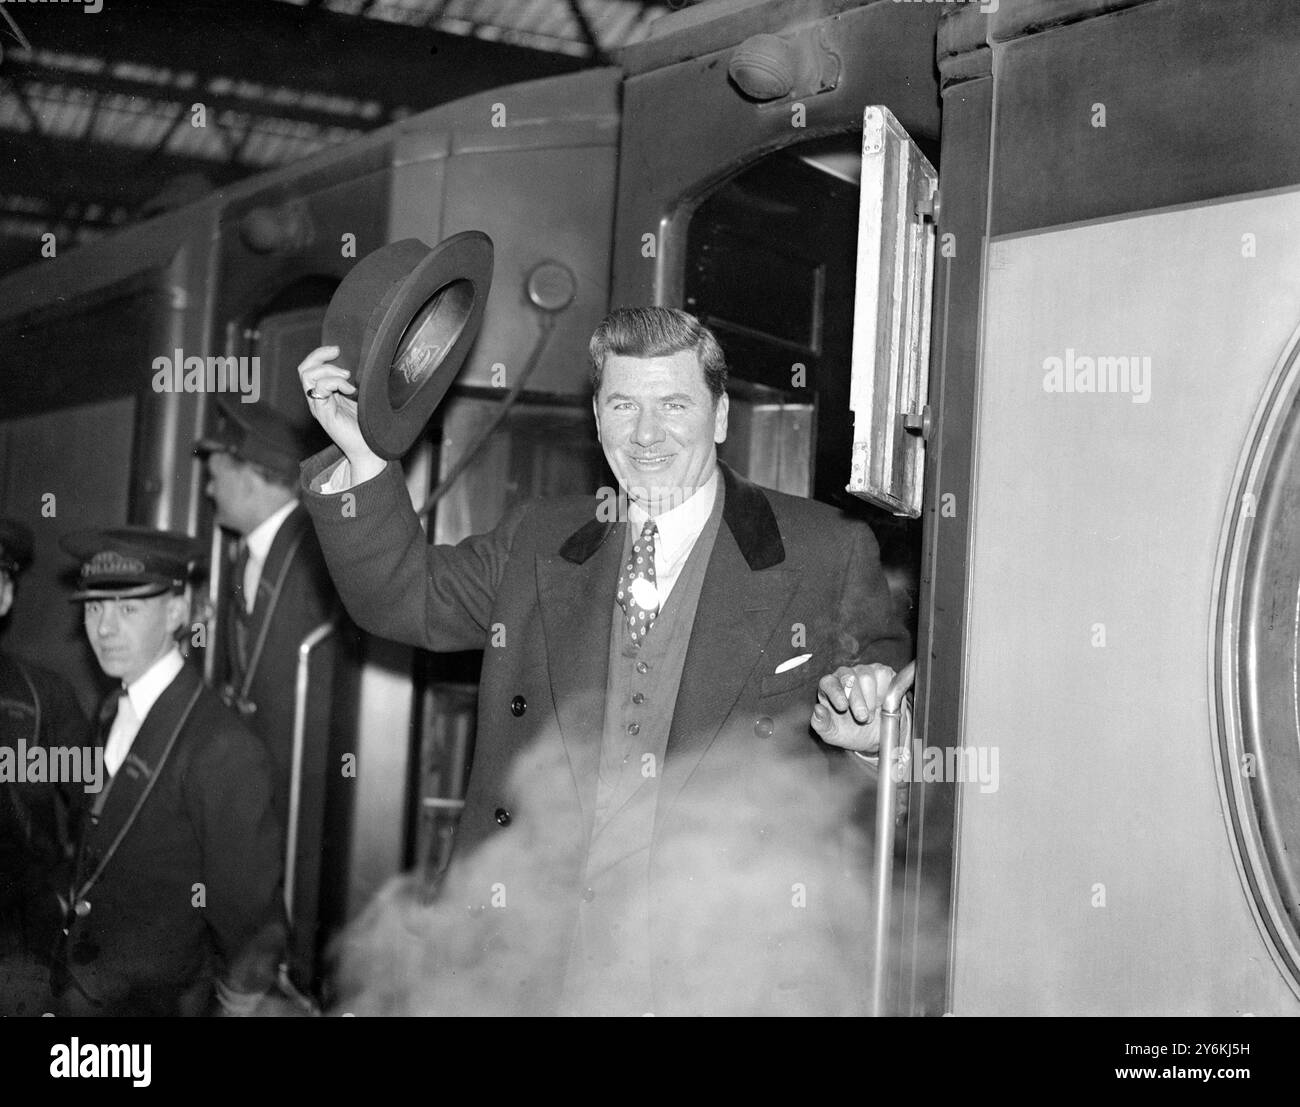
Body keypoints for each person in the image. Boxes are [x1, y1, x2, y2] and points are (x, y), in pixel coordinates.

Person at [297, 306, 912, 1016]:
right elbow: (400, 597)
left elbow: (898, 764)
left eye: (673, 404)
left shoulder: (824, 549)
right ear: (596, 417)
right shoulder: (540, 538)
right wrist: (361, 454)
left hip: (727, 964)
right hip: (534, 955)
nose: (647, 434)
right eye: (624, 404)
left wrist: (872, 742)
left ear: (718, 416)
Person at [53, 526, 286, 1016]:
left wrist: (237, 1003)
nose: (105, 629)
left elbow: (245, 912)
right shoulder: (112, 709)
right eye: (94, 609)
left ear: (178, 612)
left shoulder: (221, 745)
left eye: (128, 610)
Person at [195, 398, 340, 985]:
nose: (207, 489)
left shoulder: (317, 552)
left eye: (215, 473)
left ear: (253, 470)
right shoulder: (248, 559)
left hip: (307, 801)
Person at [0, 517, 89, 1015]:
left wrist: (58, 899)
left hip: (16, 951)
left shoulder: (42, 698)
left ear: (6, 598)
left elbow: (96, 810)